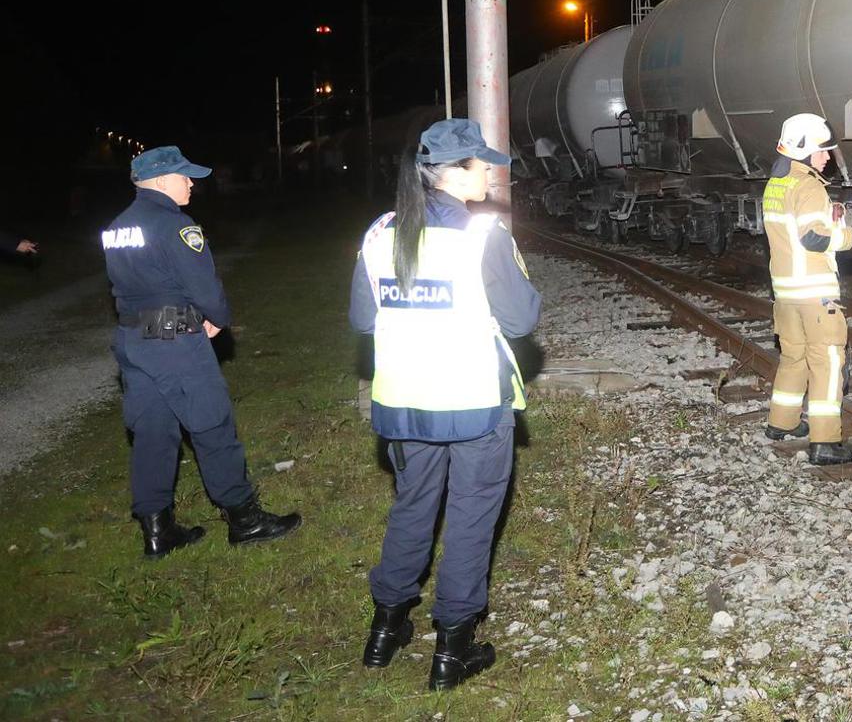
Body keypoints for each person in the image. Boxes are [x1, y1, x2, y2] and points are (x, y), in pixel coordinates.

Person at [350, 118, 541, 691]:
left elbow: (363, 319)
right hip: (472, 399)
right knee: (470, 517)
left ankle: (385, 629)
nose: (489, 174)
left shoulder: (381, 232)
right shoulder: (482, 235)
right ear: (456, 174)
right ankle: (452, 651)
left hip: (404, 401)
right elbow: (521, 319)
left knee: (413, 506)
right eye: (482, 165)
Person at [102, 146, 301, 558]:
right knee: (211, 424)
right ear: (161, 181)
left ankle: (157, 531)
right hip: (172, 336)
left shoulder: (117, 226)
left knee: (152, 432)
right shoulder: (175, 225)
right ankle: (244, 519)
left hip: (132, 337)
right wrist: (217, 317)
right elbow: (203, 285)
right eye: (184, 176)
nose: (191, 183)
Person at [762, 113, 852, 466]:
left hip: (785, 292)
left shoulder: (776, 184)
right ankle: (825, 442)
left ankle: (781, 422)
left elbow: (794, 231)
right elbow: (813, 238)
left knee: (793, 357)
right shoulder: (809, 187)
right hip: (813, 292)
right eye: (822, 150)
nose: (827, 157)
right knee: (827, 363)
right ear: (804, 150)